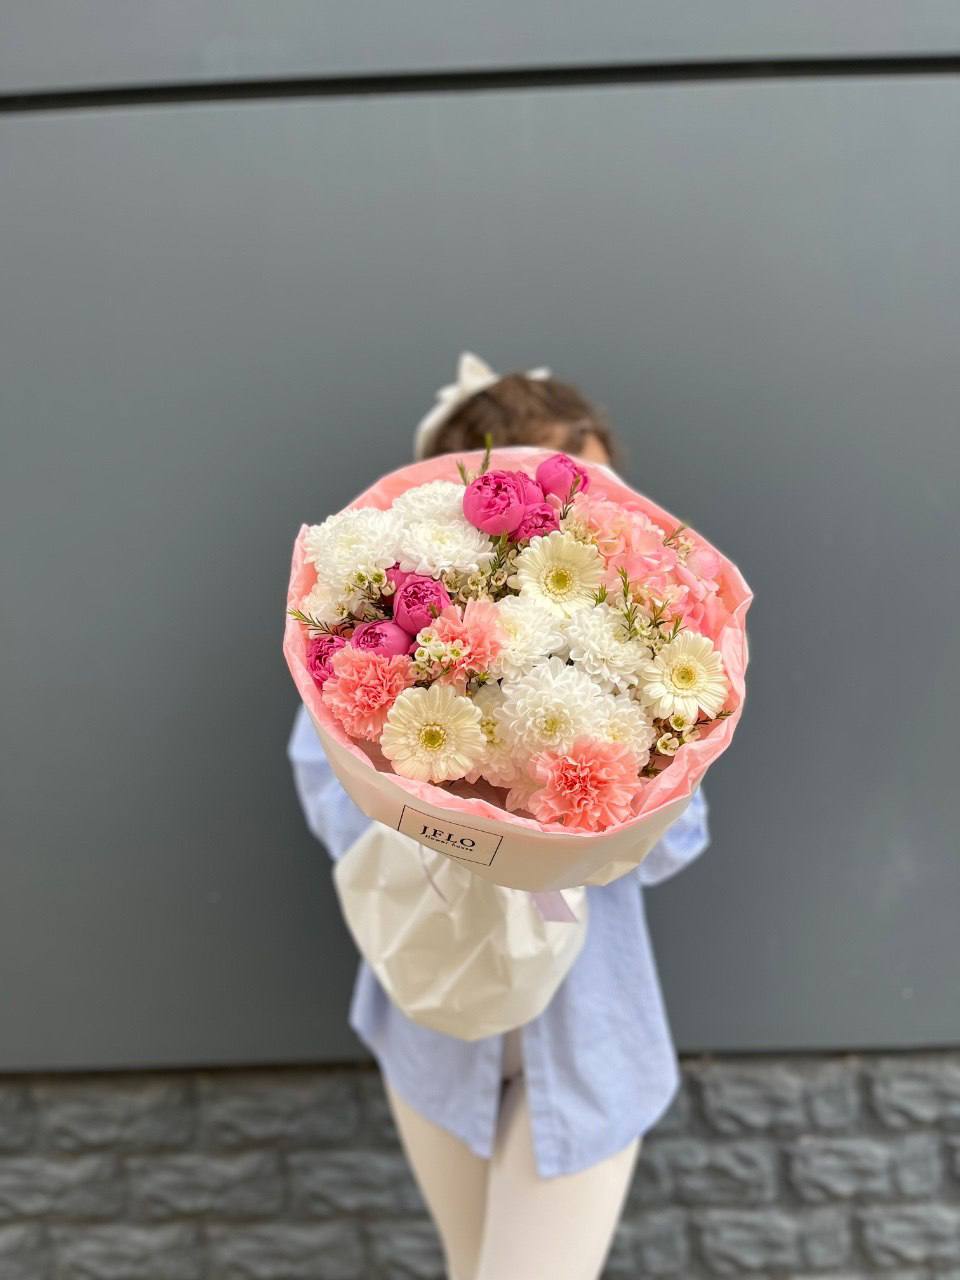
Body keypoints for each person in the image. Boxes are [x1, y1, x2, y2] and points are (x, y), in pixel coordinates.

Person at [288, 353, 711, 1280]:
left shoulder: (638, 660)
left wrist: (595, 795)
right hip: (433, 1028)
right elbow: (336, 808)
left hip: (592, 1030)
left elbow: (678, 838)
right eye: (569, 487)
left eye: (607, 489)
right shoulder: (363, 657)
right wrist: (455, 798)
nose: (596, 511)